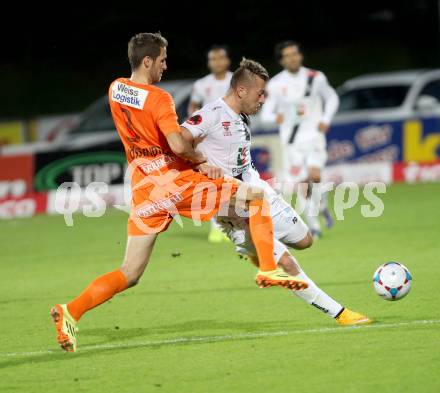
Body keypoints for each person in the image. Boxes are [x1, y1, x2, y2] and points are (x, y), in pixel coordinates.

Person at [50, 33, 307, 353]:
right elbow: (176, 143)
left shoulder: (116, 88)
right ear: (148, 61)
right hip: (173, 182)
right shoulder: (159, 98)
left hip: (143, 188)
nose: (165, 66)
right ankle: (268, 268)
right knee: (254, 197)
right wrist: (202, 161)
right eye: (162, 60)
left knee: (129, 273)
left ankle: (70, 312)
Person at [182, 58, 371, 326]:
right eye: (260, 93)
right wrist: (201, 164)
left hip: (257, 189)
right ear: (241, 91)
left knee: (305, 240)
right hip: (231, 203)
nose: (263, 99)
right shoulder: (212, 114)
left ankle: (253, 251)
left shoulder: (241, 115)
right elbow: (178, 139)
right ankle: (340, 314)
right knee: (287, 264)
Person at [261, 41, 339, 239]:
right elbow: (266, 114)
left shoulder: (316, 77)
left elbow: (332, 98)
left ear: (300, 55)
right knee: (303, 185)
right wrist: (275, 118)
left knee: (315, 176)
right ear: (281, 60)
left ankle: (321, 203)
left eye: (295, 53)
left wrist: (325, 119)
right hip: (292, 143)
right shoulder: (277, 84)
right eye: (287, 55)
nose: (292, 58)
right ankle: (314, 226)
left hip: (314, 137)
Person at [188, 45, 233, 243]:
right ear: (209, 63)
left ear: (227, 60)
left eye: (220, 58)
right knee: (215, 182)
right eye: (212, 59)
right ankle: (217, 227)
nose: (217, 62)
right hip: (209, 141)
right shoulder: (201, 85)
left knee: (235, 181)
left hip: (233, 138)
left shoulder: (237, 80)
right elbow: (194, 108)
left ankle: (234, 224)